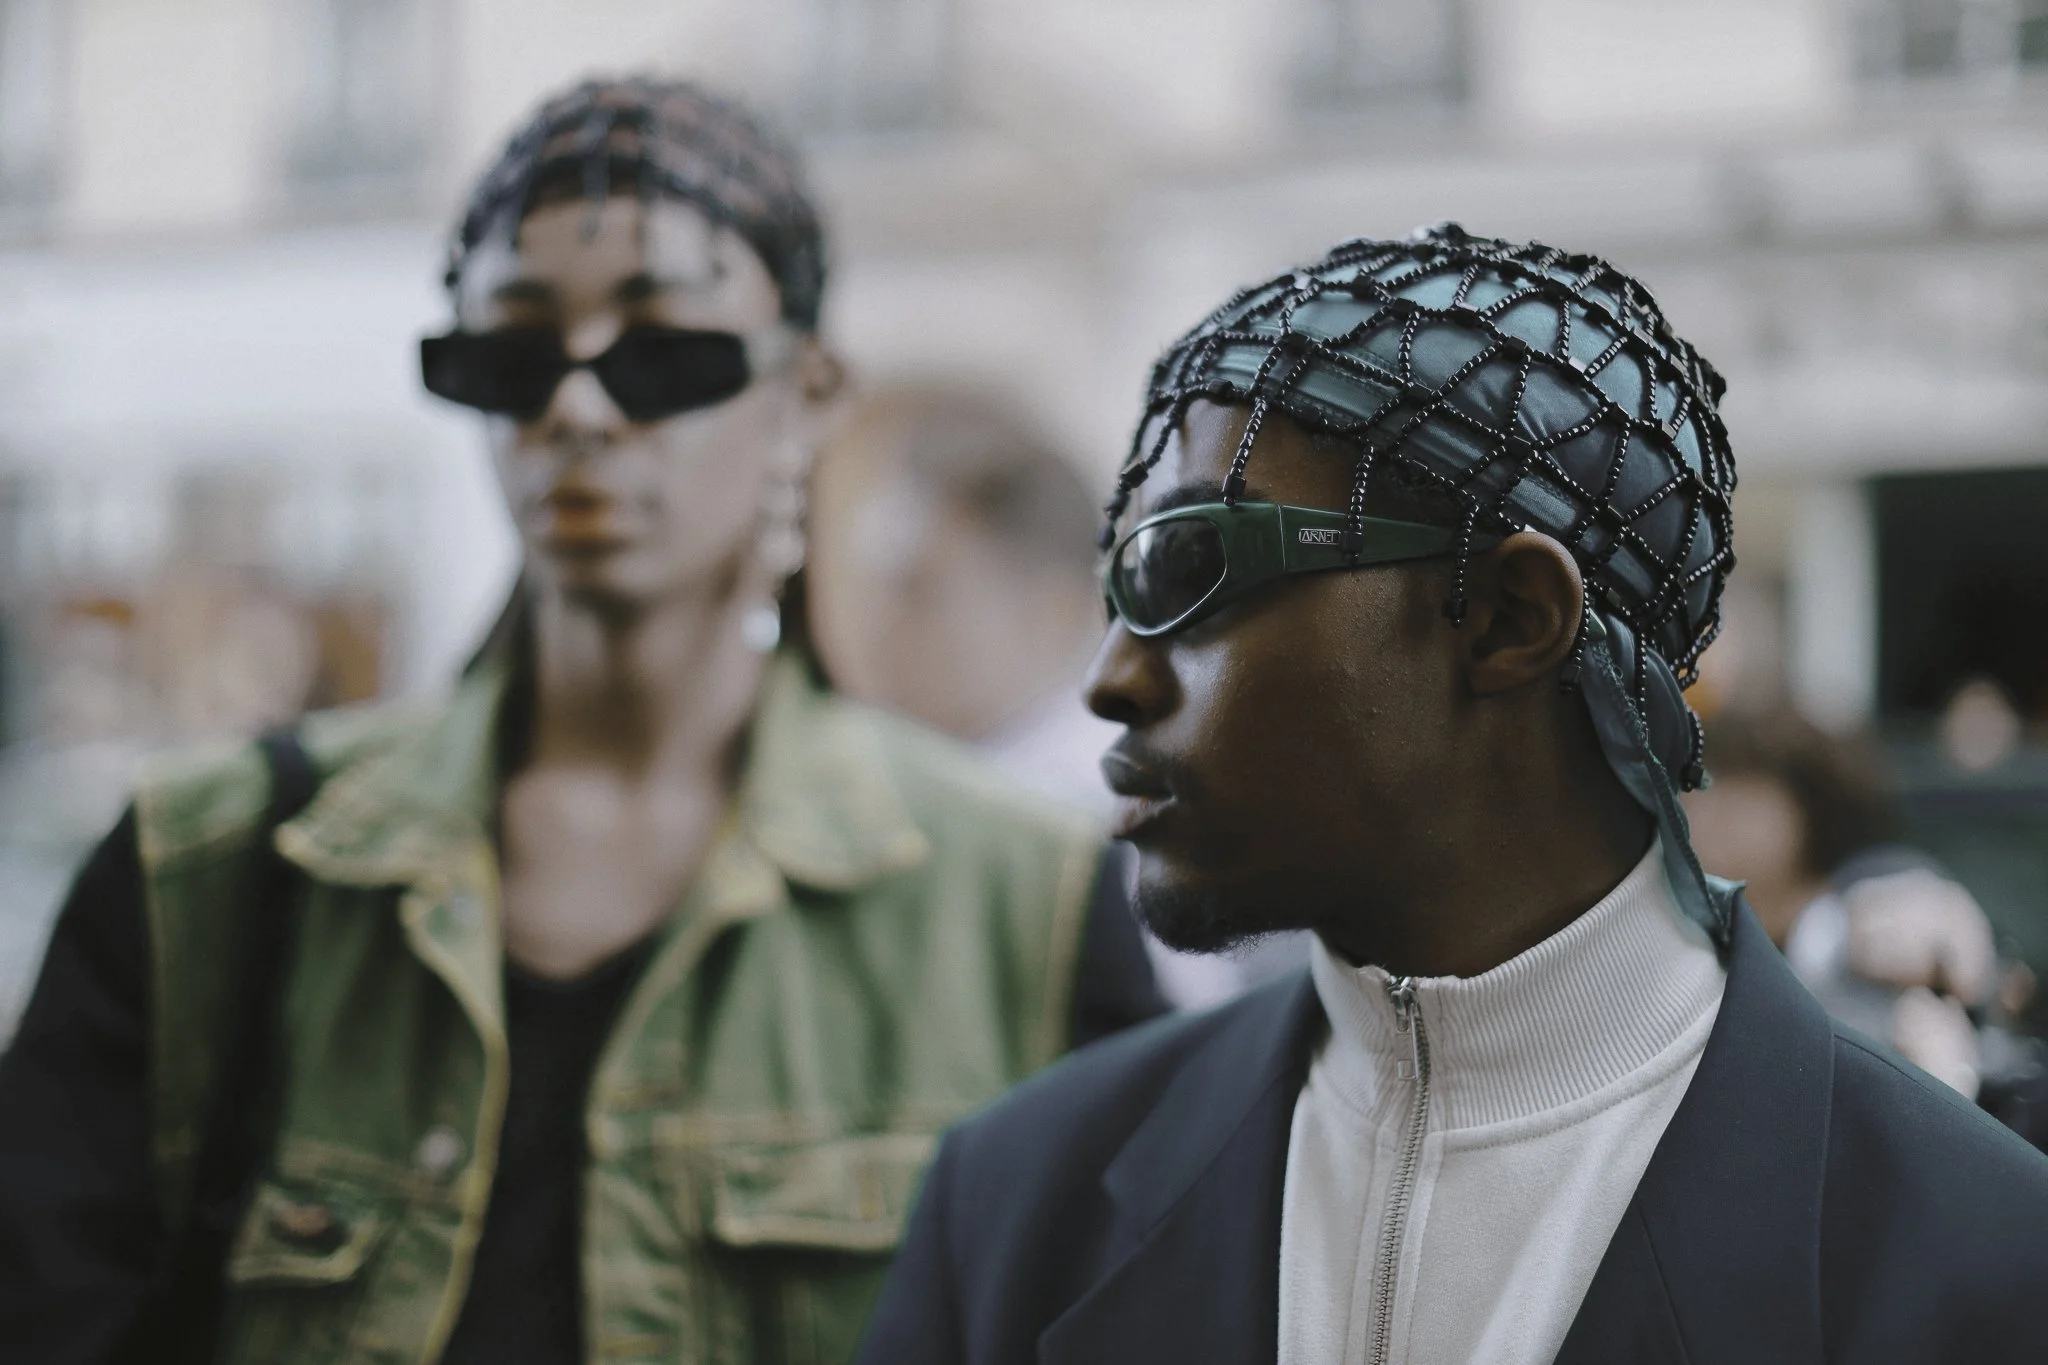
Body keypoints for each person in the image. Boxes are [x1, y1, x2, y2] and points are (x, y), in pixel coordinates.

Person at [0, 78, 1161, 1365]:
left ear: (810, 393)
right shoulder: (207, 870)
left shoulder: (1022, 904)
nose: (579, 410)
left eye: (665, 352)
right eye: (512, 354)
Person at [856, 225, 2048, 1365]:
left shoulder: (1980, 1261)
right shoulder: (1013, 1205)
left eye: (1192, 569)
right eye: (1118, 588)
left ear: (1508, 618)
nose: (1114, 678)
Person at [806, 384, 1273, 1007]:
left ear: (1051, 611)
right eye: (883, 589)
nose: (879, 628)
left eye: (925, 592)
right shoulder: (923, 775)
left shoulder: (1107, 810)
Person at [1685, 707, 2003, 1098]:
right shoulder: (1705, 932)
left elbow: (1959, 955)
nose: (1700, 813)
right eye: (1697, 789)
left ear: (1806, 810)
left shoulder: (1880, 893)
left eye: (1731, 793)